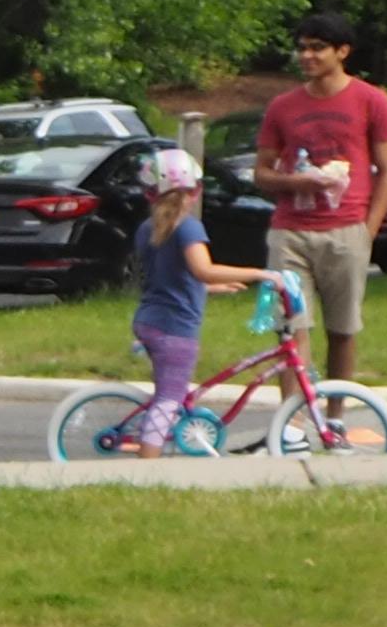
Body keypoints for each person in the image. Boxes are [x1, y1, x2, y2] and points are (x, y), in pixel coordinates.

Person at [253, 13, 387, 380]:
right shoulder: (283, 106)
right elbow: (262, 172)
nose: (307, 56)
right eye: (302, 48)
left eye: (317, 48)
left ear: (342, 51)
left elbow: (386, 168)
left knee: (342, 330)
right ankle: (294, 424)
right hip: (290, 232)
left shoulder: (371, 100)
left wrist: (368, 229)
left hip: (346, 229)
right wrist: (296, 183)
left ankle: (335, 417)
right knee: (291, 327)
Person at [104, 145, 268, 453]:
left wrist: (211, 289)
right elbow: (202, 270)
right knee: (170, 398)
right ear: (197, 190)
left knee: (166, 392)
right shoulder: (189, 227)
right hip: (174, 328)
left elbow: (169, 278)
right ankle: (148, 462)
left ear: (150, 193)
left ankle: (152, 440)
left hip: (149, 320)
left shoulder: (146, 228)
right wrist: (260, 274)